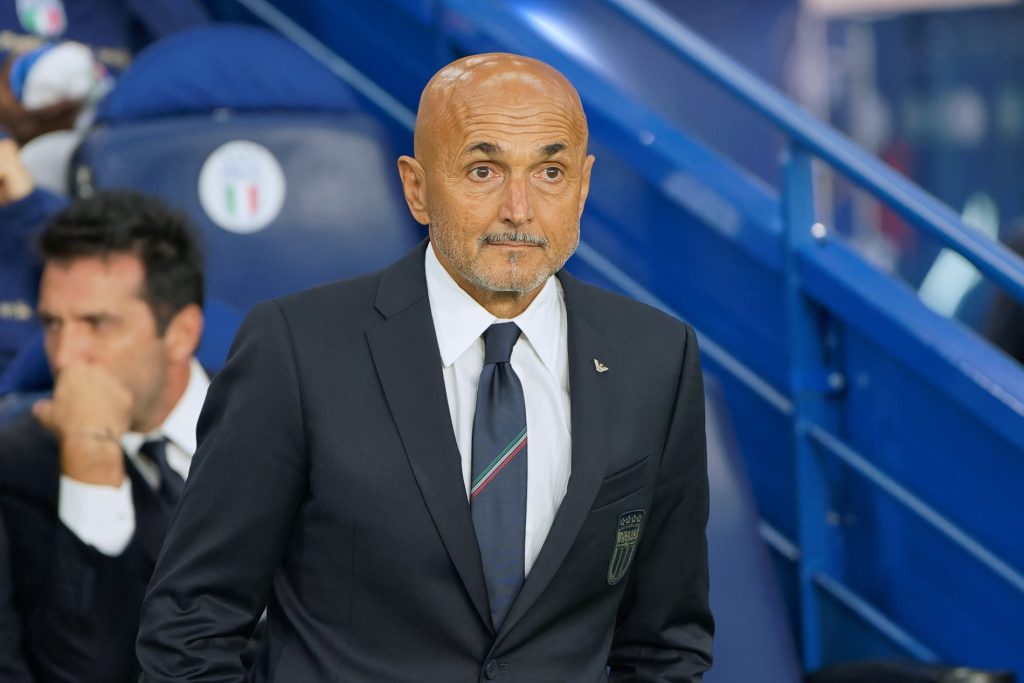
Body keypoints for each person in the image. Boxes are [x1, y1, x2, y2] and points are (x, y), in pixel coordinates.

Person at [138, 53, 713, 681]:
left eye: (550, 171)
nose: (519, 209)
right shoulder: (296, 347)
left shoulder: (656, 357)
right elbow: (192, 623)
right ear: (417, 189)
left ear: (583, 185)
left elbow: (664, 644)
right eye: (483, 170)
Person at [0, 189, 207, 682]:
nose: (64, 355)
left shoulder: (283, 428)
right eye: (53, 324)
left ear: (181, 333)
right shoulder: (15, 467)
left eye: (97, 323)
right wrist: (90, 464)